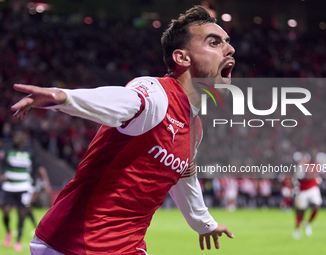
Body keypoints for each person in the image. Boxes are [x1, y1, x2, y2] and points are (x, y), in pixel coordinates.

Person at [11, 6, 235, 255]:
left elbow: (184, 176)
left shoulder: (195, 127)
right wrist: (63, 97)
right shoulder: (155, 94)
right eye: (214, 42)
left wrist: (204, 224)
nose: (230, 49)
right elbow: (124, 101)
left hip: (127, 247)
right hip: (73, 243)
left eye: (227, 42)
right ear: (181, 58)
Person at [0, 129, 36, 252]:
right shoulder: (7, 150)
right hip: (9, 186)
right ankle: (9, 232)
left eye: (18, 136)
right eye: (14, 136)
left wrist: (34, 186)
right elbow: (2, 165)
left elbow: (34, 169)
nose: (15, 138)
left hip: (23, 186)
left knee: (22, 214)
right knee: (5, 212)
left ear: (23, 138)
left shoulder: (29, 152)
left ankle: (18, 241)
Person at [293, 152, 323, 239]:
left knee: (317, 206)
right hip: (303, 190)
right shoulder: (302, 165)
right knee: (300, 211)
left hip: (313, 188)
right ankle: (297, 229)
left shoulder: (317, 164)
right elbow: (298, 178)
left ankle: (308, 224)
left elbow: (318, 176)